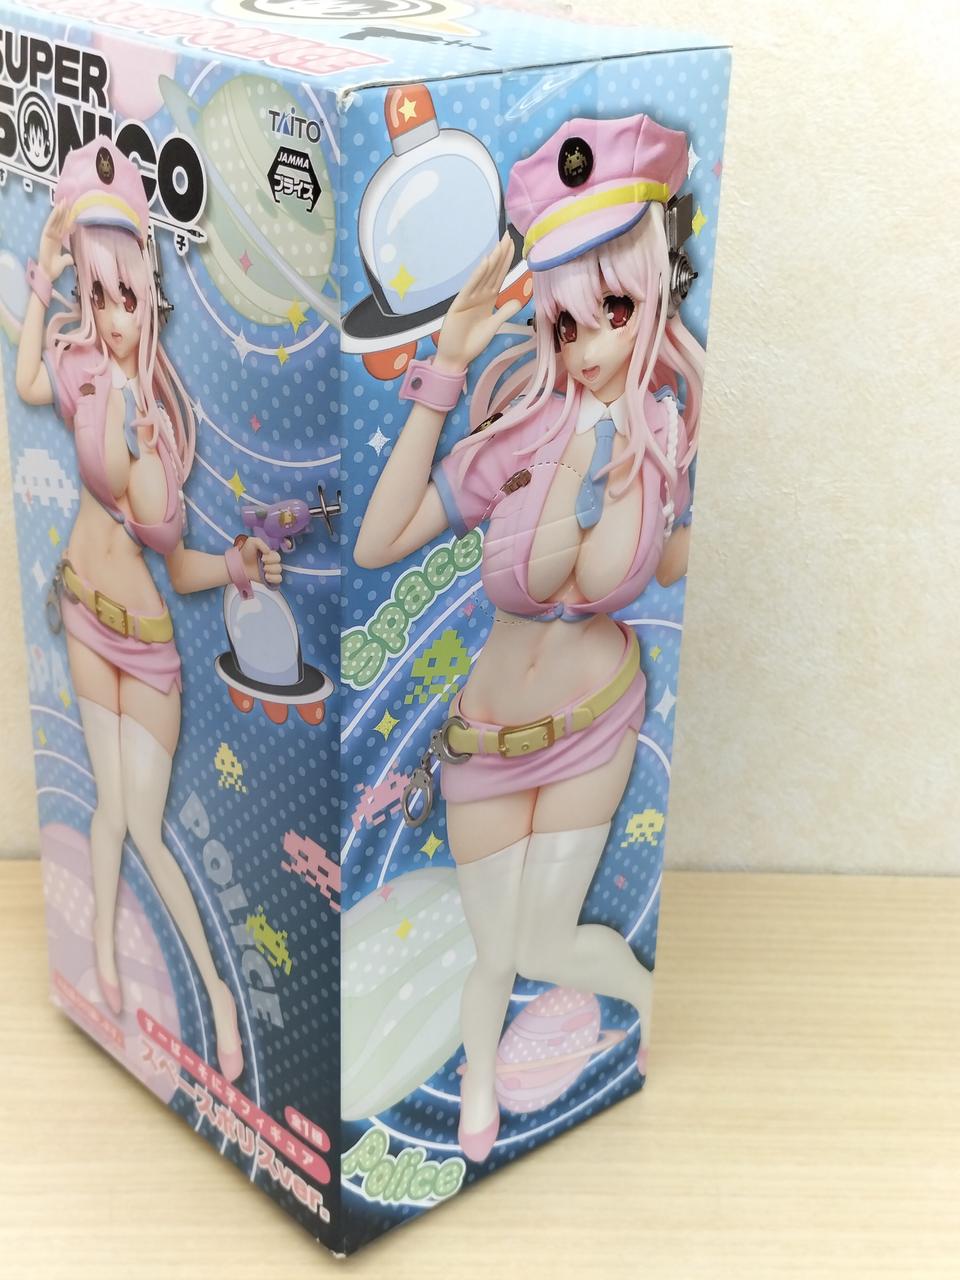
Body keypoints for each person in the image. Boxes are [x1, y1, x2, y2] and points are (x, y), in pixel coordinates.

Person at [356, 114, 706, 1160]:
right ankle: (481, 1082)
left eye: (613, 310)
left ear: (654, 296)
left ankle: (636, 998)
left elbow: (671, 565)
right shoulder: (516, 432)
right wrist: (447, 366)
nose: (588, 345)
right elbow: (378, 540)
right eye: (564, 323)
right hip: (486, 741)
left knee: (543, 939)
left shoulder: (666, 438)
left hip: (595, 724)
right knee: (496, 952)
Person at [16, 138, 281, 1083]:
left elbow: (178, 564)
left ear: (149, 294)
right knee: (109, 812)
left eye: (125, 294)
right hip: (84, 613)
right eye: (100, 294)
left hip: (149, 643)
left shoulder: (168, 420)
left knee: (145, 827)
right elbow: (27, 384)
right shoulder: (83, 372)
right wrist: (46, 272)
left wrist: (237, 565)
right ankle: (96, 965)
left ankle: (215, 993)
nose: (113, 313)